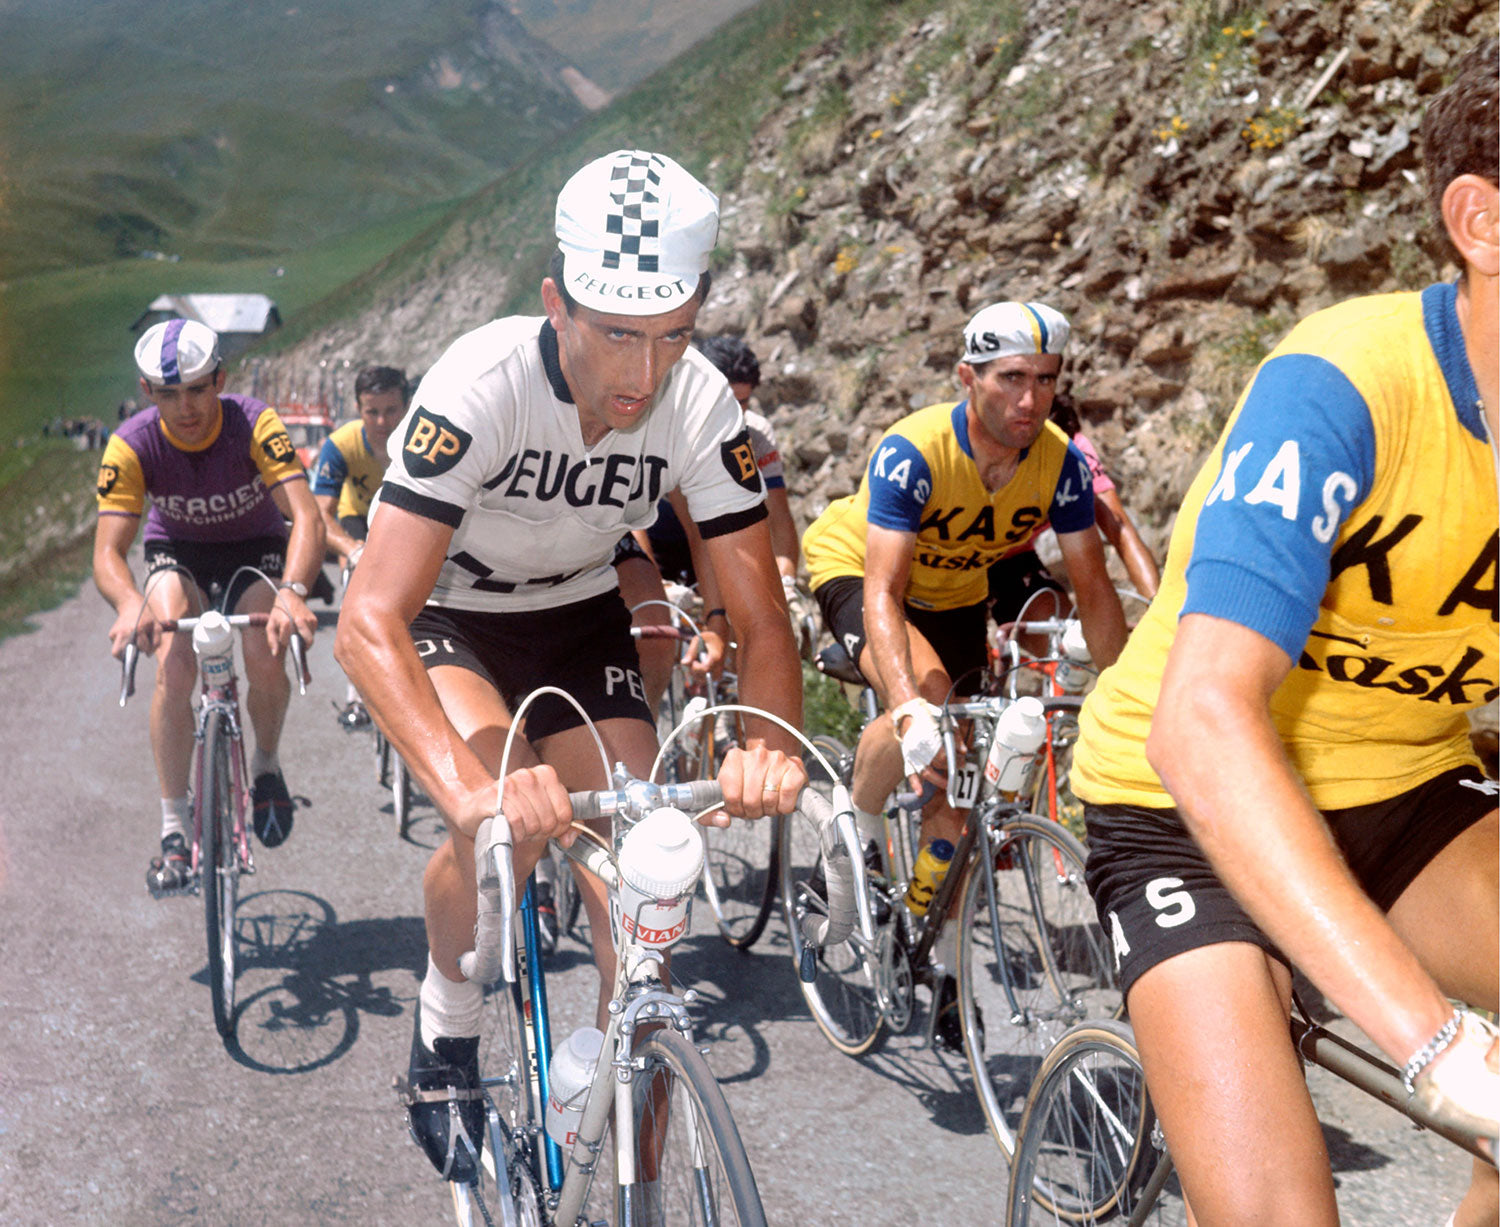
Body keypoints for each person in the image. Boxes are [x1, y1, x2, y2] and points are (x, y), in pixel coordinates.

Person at [1071, 40, 1498, 1227]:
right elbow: (1202, 726)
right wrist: (1442, 1050)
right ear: (1482, 221)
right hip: (1183, 817)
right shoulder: (1348, 382)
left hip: (1406, 793)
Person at [334, 148, 806, 1183]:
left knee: (639, 891)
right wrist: (468, 789)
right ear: (557, 303)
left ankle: (617, 1131)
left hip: (584, 611)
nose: (643, 375)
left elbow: (765, 619)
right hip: (454, 615)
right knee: (497, 821)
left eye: (674, 336)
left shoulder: (699, 407)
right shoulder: (482, 382)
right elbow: (368, 619)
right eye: (617, 337)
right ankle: (448, 1020)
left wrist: (767, 748)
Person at [802, 299, 1128, 1047]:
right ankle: (849, 840)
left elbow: (1096, 589)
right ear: (967, 377)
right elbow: (882, 592)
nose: (1030, 400)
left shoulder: (1059, 464)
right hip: (863, 575)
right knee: (928, 703)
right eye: (1011, 378)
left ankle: (943, 968)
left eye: (1046, 380)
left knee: (961, 795)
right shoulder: (912, 451)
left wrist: (1119, 688)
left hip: (954, 599)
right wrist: (912, 707)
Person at [94, 319, 324, 892]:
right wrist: (128, 603)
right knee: (174, 658)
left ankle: (266, 765)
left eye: (197, 389)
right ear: (148, 392)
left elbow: (307, 517)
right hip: (179, 549)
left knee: (263, 647)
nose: (186, 407)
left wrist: (293, 593)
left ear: (220, 378)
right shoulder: (130, 443)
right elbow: (108, 552)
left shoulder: (255, 423)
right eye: (167, 394)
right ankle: (175, 828)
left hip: (257, 546)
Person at [310, 364, 410, 729]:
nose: (382, 421)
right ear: (358, 409)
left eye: (391, 410)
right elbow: (321, 515)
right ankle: (358, 697)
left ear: (407, 407)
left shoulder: (421, 436)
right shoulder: (341, 444)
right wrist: (351, 550)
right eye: (372, 411)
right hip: (358, 518)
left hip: (406, 517)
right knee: (357, 583)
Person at [1045, 392, 1160, 600]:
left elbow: (1117, 525)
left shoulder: (1074, 448)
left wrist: (1158, 609)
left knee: (1053, 612)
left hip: (1015, 554)